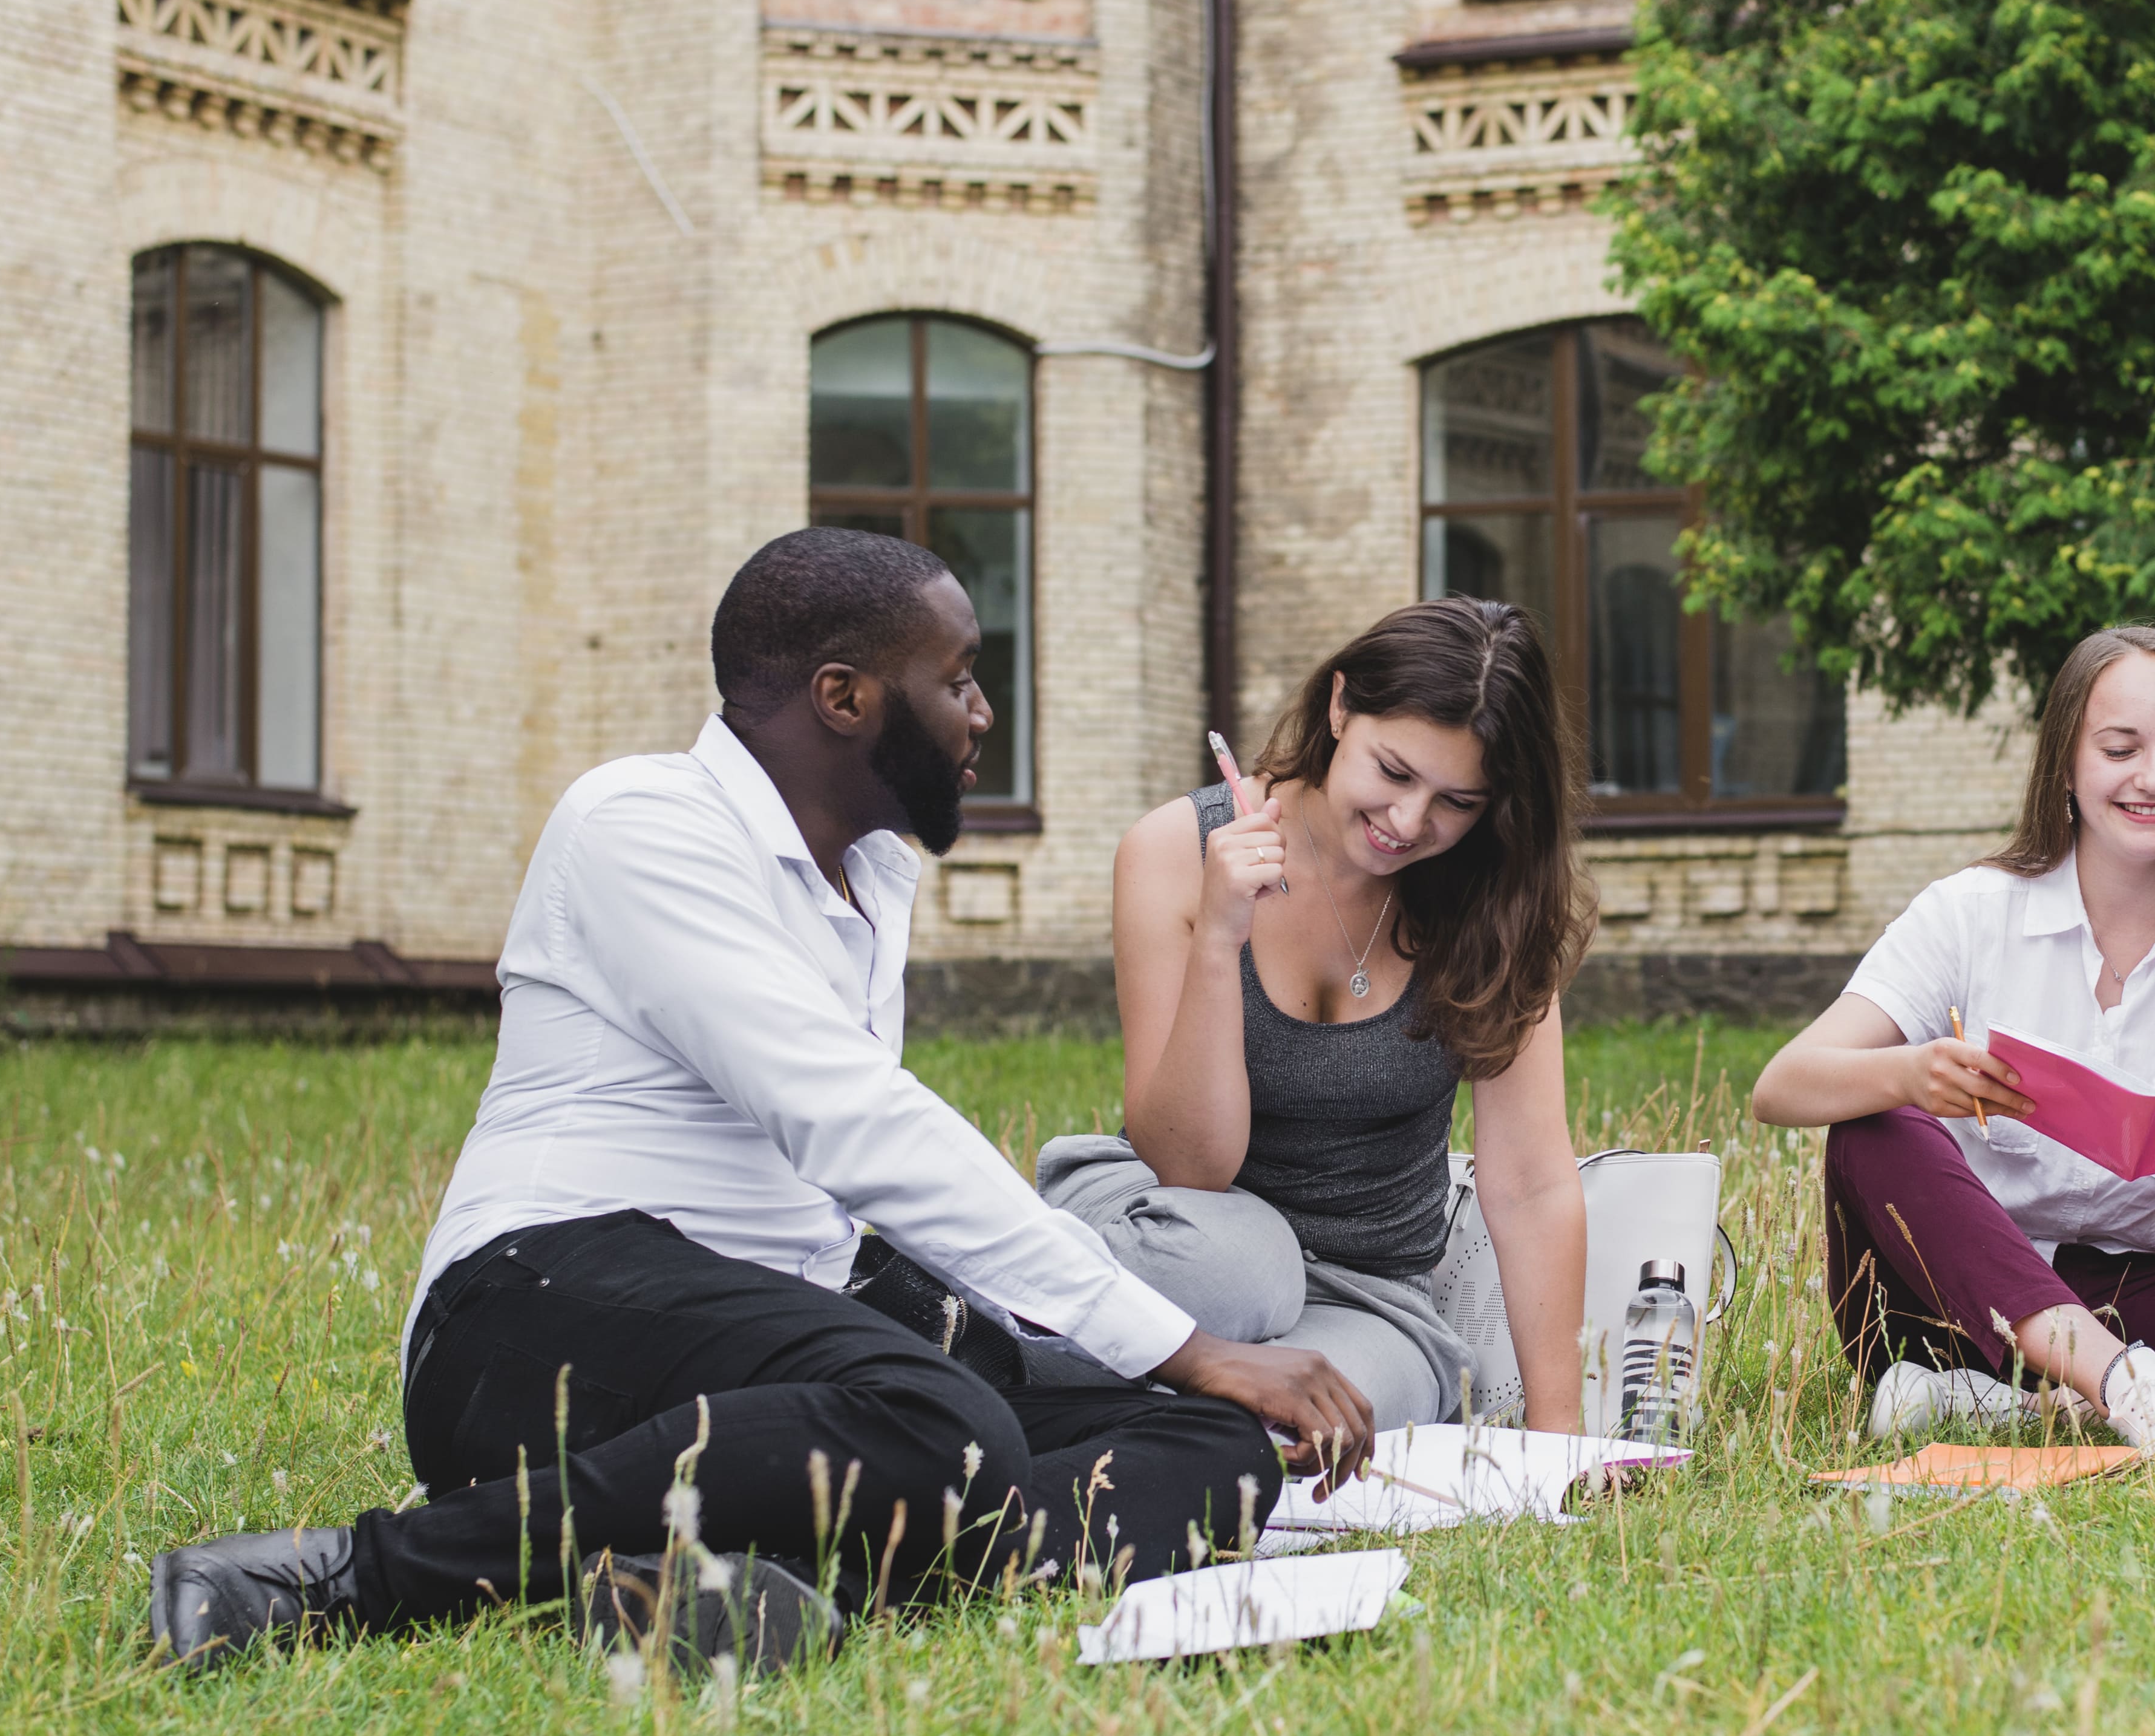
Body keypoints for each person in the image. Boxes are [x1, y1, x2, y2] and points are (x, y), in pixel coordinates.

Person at [146, 529, 1367, 1669]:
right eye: (957, 680)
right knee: (948, 1426)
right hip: (532, 1320)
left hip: (769, 1348)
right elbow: (848, 1118)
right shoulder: (640, 824)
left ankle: (747, 1578)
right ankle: (341, 1577)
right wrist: (1192, 1342)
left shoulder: (871, 873)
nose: (981, 714)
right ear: (844, 697)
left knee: (1206, 1443)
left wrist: (1165, 1368)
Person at [1750, 626, 2155, 1466]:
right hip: (1947, 1309)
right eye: (2120, 750)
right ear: (2066, 764)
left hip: (2138, 1298)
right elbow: (1781, 1086)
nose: (2154, 778)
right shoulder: (1970, 914)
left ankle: (2036, 1406)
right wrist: (1910, 1072)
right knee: (1876, 1125)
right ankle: (2131, 1391)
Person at [1050, 598, 1596, 1434]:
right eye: (1394, 772)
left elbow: (1531, 1185)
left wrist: (1563, 1448)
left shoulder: (1497, 902)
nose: (1409, 823)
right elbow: (1188, 1165)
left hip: (1364, 1300)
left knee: (1317, 1432)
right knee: (1242, 1270)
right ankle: (1011, 1342)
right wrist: (1219, 939)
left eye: (1458, 802)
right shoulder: (1172, 850)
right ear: (1340, 706)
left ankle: (1105, 1401)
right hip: (1182, 1236)